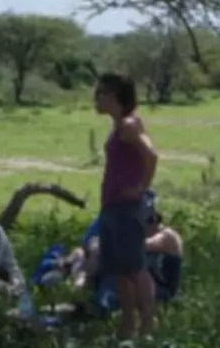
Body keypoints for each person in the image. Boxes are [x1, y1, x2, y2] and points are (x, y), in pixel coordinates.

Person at [95, 72, 159, 340]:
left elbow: (152, 155)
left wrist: (140, 188)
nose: (95, 99)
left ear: (112, 96)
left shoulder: (129, 125)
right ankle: (127, 326)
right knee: (121, 271)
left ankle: (147, 326)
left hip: (126, 207)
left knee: (135, 267)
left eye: (100, 93)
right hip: (112, 206)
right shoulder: (118, 125)